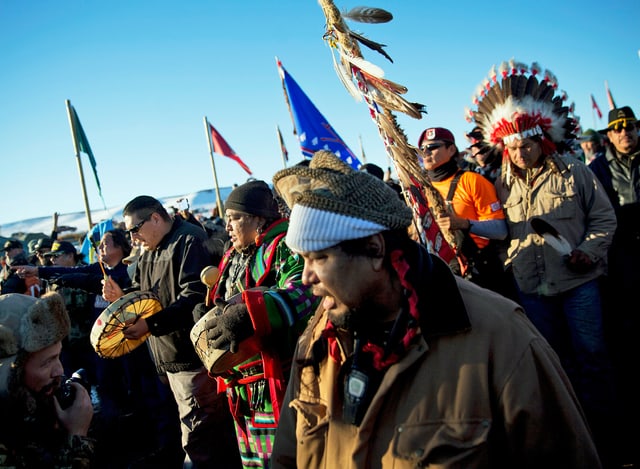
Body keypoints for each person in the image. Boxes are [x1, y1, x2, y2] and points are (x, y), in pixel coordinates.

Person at [269, 150, 601, 468]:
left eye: (320, 258)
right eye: (303, 259)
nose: (306, 276)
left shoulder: (501, 338)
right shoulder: (320, 335)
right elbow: (287, 454)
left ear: (373, 249)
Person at [467, 60, 619, 467]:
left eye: (527, 144)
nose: (520, 152)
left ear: (543, 140)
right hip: (531, 289)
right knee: (551, 364)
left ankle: (605, 437)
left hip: (578, 283)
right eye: (512, 147)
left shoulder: (574, 172)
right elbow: (498, 230)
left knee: (592, 359)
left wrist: (590, 249)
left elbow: (604, 218)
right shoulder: (499, 182)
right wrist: (506, 258)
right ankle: (568, 437)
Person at [102, 195, 239, 468]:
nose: (132, 237)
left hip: (193, 359)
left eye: (134, 229)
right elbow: (144, 295)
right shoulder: (148, 248)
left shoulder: (189, 240)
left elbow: (194, 297)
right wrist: (122, 296)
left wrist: (150, 325)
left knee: (200, 438)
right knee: (198, 431)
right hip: (167, 359)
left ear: (155, 217)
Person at [191, 180, 320, 469]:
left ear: (258, 218)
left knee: (287, 457)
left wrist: (249, 315)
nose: (228, 227)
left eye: (235, 218)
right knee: (254, 460)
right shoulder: (232, 255)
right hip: (243, 384)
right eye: (227, 219)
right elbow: (225, 298)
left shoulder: (286, 245)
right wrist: (208, 311)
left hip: (281, 376)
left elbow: (303, 290)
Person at [588, 105, 640, 466]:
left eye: (631, 126)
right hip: (620, 258)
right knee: (626, 334)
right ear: (609, 135)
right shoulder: (597, 170)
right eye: (619, 128)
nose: (626, 133)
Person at [0, 292, 95, 468]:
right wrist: (78, 437)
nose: (59, 370)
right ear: (12, 371)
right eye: (46, 362)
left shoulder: (35, 402)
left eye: (58, 356)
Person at [416, 127, 513, 298]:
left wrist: (463, 224)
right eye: (422, 149)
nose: (426, 153)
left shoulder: (472, 181)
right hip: (440, 273)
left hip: (481, 273)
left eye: (433, 147)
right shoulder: (419, 190)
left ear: (451, 149)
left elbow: (501, 231)